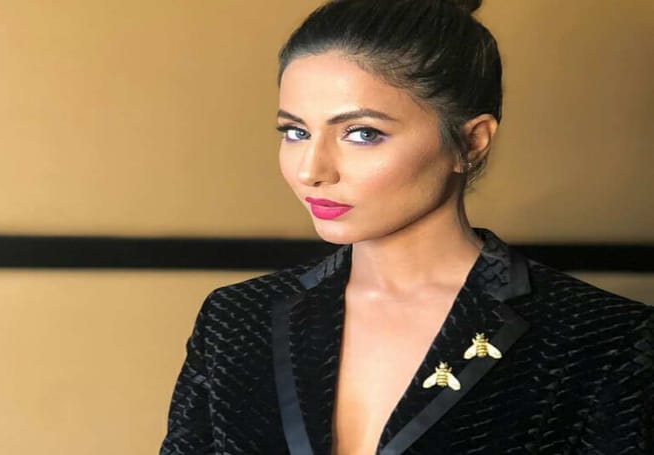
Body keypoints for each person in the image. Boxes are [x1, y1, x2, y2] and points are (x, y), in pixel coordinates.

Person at [160, 0, 653, 453]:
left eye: (362, 133)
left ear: (471, 141)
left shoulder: (602, 339)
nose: (311, 169)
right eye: (296, 131)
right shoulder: (236, 319)